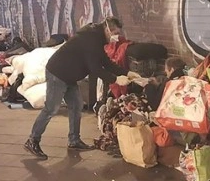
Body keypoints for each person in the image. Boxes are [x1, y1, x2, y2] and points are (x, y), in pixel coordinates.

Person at [24, 17, 141, 159]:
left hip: (69, 75)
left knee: (76, 105)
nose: (116, 36)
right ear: (107, 29)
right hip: (58, 73)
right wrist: (116, 79)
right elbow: (96, 69)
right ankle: (32, 140)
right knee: (51, 108)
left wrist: (127, 73)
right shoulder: (90, 40)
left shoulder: (97, 39)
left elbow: (105, 62)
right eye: (115, 32)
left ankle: (74, 140)